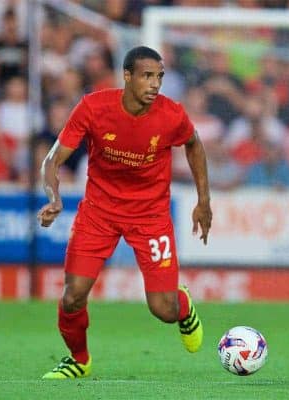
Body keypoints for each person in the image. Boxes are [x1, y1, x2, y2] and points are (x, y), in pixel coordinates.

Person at [37, 46, 212, 379]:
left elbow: (194, 143)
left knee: (163, 309)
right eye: (147, 76)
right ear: (127, 76)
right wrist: (54, 197)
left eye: (159, 76)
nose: (155, 84)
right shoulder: (93, 107)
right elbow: (52, 160)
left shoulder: (171, 114)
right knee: (73, 296)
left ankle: (183, 306)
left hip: (151, 216)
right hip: (98, 213)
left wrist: (203, 200)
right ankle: (79, 359)